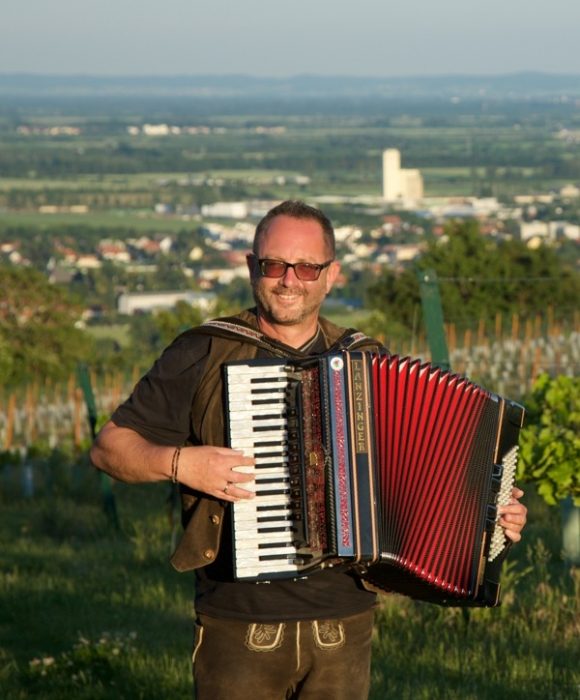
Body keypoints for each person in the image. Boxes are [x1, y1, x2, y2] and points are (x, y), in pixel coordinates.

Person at [90, 200, 528, 700]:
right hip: (240, 622)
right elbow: (109, 449)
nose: (289, 280)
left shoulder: (367, 363)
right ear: (253, 267)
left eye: (306, 267)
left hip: (345, 621)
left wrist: (491, 519)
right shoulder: (204, 350)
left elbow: (425, 479)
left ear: (330, 275)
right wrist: (179, 463)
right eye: (274, 265)